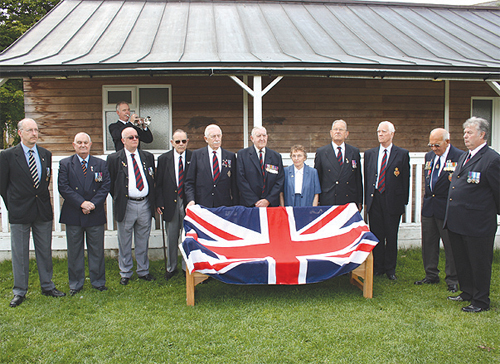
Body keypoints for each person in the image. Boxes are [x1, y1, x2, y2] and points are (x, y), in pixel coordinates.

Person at [0, 118, 65, 308]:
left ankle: (47, 286)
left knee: (44, 251)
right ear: (20, 133)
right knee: (20, 253)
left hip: (42, 210)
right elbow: (3, 186)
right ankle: (20, 291)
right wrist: (12, 205)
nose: (34, 133)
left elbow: (44, 181)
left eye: (36, 130)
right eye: (29, 130)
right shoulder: (8, 155)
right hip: (19, 211)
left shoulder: (45, 154)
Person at [444, 117, 500, 313]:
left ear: (482, 134)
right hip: (458, 221)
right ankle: (467, 292)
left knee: (479, 262)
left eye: (469, 133)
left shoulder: (491, 159)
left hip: (478, 223)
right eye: (465, 132)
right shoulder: (464, 156)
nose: (465, 136)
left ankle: (481, 301)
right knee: (462, 260)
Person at [58, 132, 111, 295]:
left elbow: (105, 186)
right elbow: (64, 187)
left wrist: (92, 204)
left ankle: (98, 282)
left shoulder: (101, 164)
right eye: (79, 142)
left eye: (85, 142)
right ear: (74, 145)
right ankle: (75, 284)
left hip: (94, 213)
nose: (82, 145)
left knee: (97, 250)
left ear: (90, 144)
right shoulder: (66, 164)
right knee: (74, 252)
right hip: (74, 213)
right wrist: (82, 203)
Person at [415, 128, 464, 292]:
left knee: (450, 245)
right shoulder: (429, 156)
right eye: (431, 145)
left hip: (448, 208)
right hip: (429, 207)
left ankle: (453, 279)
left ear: (447, 142)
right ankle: (430, 275)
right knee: (428, 244)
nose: (433, 148)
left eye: (437, 145)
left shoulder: (459, 156)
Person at [107, 127, 156, 285]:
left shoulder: (147, 157)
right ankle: (126, 272)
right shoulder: (114, 159)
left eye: (136, 137)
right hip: (126, 204)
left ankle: (143, 271)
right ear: (123, 141)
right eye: (130, 137)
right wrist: (119, 197)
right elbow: (111, 183)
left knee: (143, 239)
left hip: (145, 204)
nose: (135, 139)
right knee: (125, 240)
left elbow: (152, 178)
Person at [364, 121, 410, 280]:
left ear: (392, 134)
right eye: (378, 131)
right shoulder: (370, 154)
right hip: (375, 199)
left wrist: (403, 201)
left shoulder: (402, 154)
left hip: (392, 201)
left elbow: (405, 179)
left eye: (384, 131)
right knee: (376, 234)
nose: (380, 134)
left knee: (391, 236)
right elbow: (367, 177)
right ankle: (378, 267)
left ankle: (391, 269)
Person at [156, 129, 192, 279]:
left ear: (187, 141)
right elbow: (158, 183)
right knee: (171, 237)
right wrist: (159, 202)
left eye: (183, 141)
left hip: (188, 202)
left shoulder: (193, 157)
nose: (181, 144)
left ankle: (186, 267)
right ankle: (171, 268)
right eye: (177, 141)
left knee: (187, 237)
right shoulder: (164, 159)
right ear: (172, 143)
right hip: (170, 203)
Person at [185, 124, 239, 209]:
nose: (217, 139)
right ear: (206, 139)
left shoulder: (230, 156)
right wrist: (191, 200)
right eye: (213, 136)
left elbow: (234, 184)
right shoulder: (197, 155)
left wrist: (236, 206)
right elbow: (189, 182)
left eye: (218, 136)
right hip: (203, 205)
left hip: (224, 206)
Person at [314, 119, 363, 210]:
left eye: (341, 129)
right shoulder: (321, 152)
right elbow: (317, 178)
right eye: (335, 129)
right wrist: (318, 200)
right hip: (328, 200)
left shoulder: (354, 152)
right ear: (331, 133)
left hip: (349, 201)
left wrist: (359, 201)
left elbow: (357, 178)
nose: (338, 132)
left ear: (346, 134)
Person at [236, 126, 284, 207]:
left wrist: (268, 200)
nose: (262, 138)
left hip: (270, 205)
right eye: (258, 136)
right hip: (249, 205)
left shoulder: (276, 156)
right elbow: (241, 180)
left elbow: (279, 180)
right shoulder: (242, 155)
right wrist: (254, 201)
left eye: (264, 135)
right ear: (252, 138)